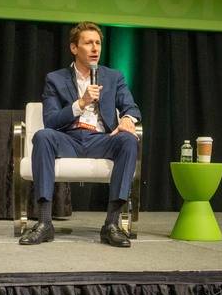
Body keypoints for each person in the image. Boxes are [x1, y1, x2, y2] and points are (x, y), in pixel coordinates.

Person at [19, 21, 141, 247]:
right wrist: (81, 103)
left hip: (101, 140)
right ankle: (44, 223)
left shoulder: (114, 77)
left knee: (128, 140)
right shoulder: (55, 79)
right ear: (74, 48)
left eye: (98, 43)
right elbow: (51, 120)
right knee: (43, 136)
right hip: (69, 139)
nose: (95, 48)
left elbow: (132, 108)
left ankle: (112, 225)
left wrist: (127, 118)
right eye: (88, 43)